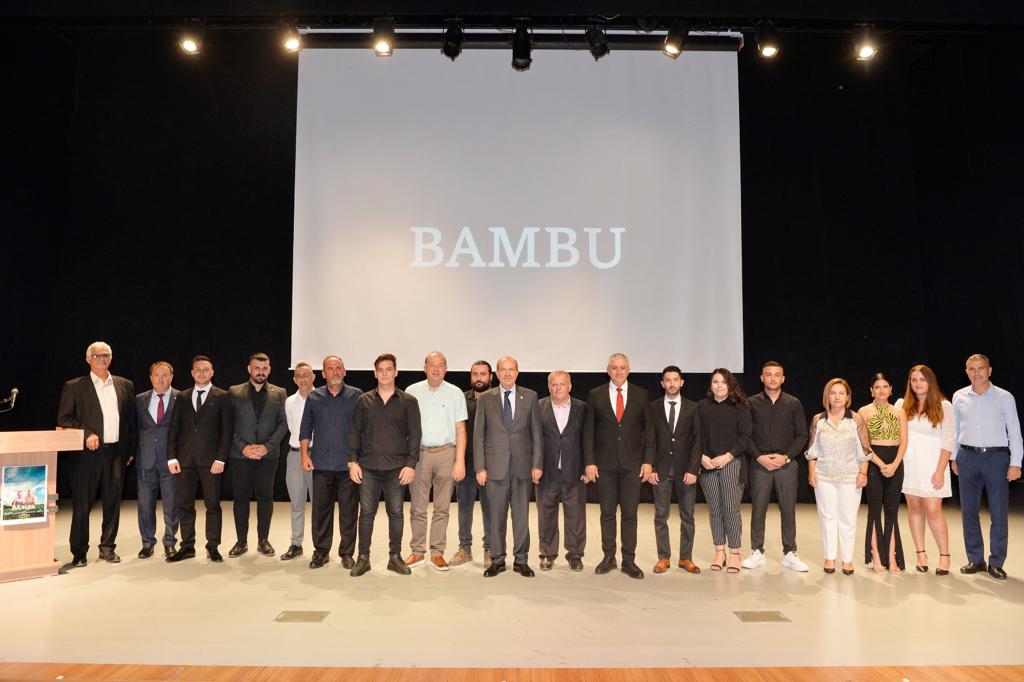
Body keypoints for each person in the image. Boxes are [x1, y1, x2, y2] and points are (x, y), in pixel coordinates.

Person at [57, 341, 136, 566]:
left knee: (112, 503)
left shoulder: (125, 384)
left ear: (111, 358)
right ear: (88, 359)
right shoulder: (74, 386)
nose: (101, 359)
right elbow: (64, 419)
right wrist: (87, 433)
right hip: (87, 456)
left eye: (105, 355)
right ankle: (79, 552)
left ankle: (107, 548)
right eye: (96, 355)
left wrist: (130, 450)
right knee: (83, 505)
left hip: (117, 453)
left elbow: (130, 421)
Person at [347, 354, 421, 576]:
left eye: (389, 369)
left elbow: (415, 435)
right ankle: (363, 558)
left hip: (397, 468)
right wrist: (353, 462)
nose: (385, 373)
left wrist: (411, 464)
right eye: (381, 370)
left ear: (396, 372)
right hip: (368, 467)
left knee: (396, 513)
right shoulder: (363, 401)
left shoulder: (409, 402)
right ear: (375, 373)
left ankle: (395, 558)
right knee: (366, 514)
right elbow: (354, 433)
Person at [952, 353, 1023, 581]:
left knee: (999, 512)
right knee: (969, 511)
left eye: (981, 368)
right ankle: (976, 559)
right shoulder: (959, 397)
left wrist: (1016, 462)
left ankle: (996, 562)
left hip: (996, 458)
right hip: (967, 457)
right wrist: (954, 458)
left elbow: (1014, 432)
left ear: (989, 370)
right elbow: (954, 430)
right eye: (972, 369)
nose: (977, 373)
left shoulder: (1005, 397)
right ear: (966, 372)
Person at [583, 353, 653, 580]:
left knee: (630, 514)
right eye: (614, 368)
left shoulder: (641, 395)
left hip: (633, 466)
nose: (619, 371)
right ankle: (608, 557)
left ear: (628, 370)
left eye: (622, 368)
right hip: (605, 466)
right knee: (607, 513)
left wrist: (648, 461)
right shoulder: (596, 394)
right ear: (608, 370)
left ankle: (629, 560)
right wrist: (590, 462)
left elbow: (649, 432)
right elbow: (588, 432)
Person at [473, 356, 543, 578]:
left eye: (511, 369)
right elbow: (478, 435)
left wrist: (537, 464)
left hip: (523, 467)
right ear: (496, 374)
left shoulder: (530, 396)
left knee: (521, 517)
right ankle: (497, 560)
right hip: (494, 468)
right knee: (496, 516)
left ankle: (521, 560)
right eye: (503, 370)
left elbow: (537, 433)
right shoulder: (486, 398)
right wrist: (480, 467)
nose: (507, 373)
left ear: (517, 372)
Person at [166, 355, 234, 563]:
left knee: (212, 505)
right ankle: (187, 546)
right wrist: (171, 457)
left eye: (205, 369)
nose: (202, 373)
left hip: (211, 462)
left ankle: (213, 546)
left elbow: (227, 431)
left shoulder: (223, 396)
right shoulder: (182, 397)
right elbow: (174, 429)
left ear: (212, 372)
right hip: (185, 461)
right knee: (184, 505)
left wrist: (221, 459)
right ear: (192, 373)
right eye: (198, 369)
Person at [404, 351, 467, 571]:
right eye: (432, 365)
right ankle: (417, 551)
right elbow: (405, 428)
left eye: (441, 365)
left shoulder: (455, 393)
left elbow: (461, 429)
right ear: (425, 368)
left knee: (442, 507)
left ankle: (438, 553)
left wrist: (460, 461)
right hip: (419, 454)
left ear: (446, 368)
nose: (436, 369)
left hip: (446, 454)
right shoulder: (412, 391)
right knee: (417, 507)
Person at [744, 361, 809, 572]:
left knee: (788, 509)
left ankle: (790, 553)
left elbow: (802, 435)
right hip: (759, 464)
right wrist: (758, 457)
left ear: (783, 378)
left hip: (786, 465)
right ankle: (757, 551)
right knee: (758, 509)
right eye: (768, 374)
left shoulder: (793, 403)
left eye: (777, 375)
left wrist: (786, 457)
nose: (772, 378)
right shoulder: (750, 403)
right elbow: (745, 435)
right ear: (762, 378)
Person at [299, 355, 362, 569]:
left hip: (348, 465)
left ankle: (347, 553)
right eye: (330, 368)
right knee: (321, 511)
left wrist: (358, 460)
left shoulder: (357, 396)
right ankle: (321, 552)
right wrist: (304, 455)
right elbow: (305, 429)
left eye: (338, 368)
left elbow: (362, 429)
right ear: (323, 373)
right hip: (321, 464)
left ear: (344, 371)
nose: (335, 372)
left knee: (349, 512)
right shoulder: (314, 397)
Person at [806, 378, 872, 575]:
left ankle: (847, 559)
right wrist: (811, 472)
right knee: (827, 517)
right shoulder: (818, 420)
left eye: (841, 393)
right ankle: (829, 557)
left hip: (851, 477)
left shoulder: (856, 419)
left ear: (847, 397)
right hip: (823, 476)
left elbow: (865, 450)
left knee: (848, 518)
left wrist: (863, 473)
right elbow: (812, 450)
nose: (837, 397)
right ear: (827, 396)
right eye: (833, 393)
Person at [227, 353, 288, 558]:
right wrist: (243, 447)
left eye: (264, 368)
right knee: (240, 498)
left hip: (267, 456)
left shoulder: (280, 393)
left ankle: (263, 540)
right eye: (257, 368)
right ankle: (241, 541)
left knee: (265, 497)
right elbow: (228, 424)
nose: (260, 372)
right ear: (249, 369)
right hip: (240, 455)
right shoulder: (234, 392)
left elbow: (283, 423)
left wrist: (266, 447)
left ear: (269, 370)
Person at [896, 364, 954, 576]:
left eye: (922, 379)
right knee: (915, 508)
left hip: (933, 465)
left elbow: (948, 440)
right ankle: (921, 554)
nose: (918, 384)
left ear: (930, 382)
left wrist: (940, 470)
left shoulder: (944, 405)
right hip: (910, 464)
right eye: (914, 380)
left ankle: (944, 556)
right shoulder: (902, 405)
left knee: (933, 509)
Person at [696, 368, 752, 575]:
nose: (719, 386)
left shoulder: (740, 407)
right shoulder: (702, 406)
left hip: (731, 463)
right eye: (715, 382)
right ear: (710, 385)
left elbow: (745, 437)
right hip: (708, 465)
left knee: (730, 509)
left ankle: (735, 553)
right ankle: (719, 552)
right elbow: (695, 435)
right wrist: (701, 457)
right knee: (714, 510)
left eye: (723, 382)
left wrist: (727, 456)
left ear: (730, 385)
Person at [647, 365, 701, 575]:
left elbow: (697, 441)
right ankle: (664, 557)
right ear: (662, 383)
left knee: (688, 516)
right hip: (660, 470)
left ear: (682, 382)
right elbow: (649, 439)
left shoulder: (693, 408)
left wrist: (693, 469)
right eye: (668, 380)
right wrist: (651, 466)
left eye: (675, 379)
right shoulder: (653, 407)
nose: (671, 383)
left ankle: (686, 557)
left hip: (685, 470)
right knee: (661, 515)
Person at [536, 370, 588, 571]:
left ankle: (575, 554)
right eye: (554, 384)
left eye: (562, 384)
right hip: (546, 472)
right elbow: (533, 439)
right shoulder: (538, 407)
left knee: (575, 516)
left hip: (575, 470)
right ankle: (547, 553)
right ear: (549, 387)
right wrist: (534, 465)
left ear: (570, 386)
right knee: (546, 514)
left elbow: (588, 439)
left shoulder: (582, 408)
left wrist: (587, 465)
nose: (558, 388)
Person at [858, 373, 907, 573]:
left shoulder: (899, 412)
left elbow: (904, 441)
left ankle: (892, 557)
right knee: (875, 510)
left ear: (891, 389)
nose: (881, 390)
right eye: (877, 387)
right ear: (871, 391)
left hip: (895, 462)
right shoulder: (864, 411)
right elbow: (863, 444)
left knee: (892, 512)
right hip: (873, 461)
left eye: (885, 386)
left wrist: (894, 464)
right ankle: (876, 556)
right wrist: (879, 464)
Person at [134, 361, 180, 559]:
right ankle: (147, 543)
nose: (161, 379)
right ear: (151, 378)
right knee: (145, 505)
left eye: (165, 375)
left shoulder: (181, 398)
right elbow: (134, 428)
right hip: (146, 460)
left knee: (171, 504)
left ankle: (170, 542)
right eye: (157, 375)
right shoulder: (139, 400)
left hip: (171, 461)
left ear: (172, 377)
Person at [450, 361, 493, 568]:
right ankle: (464, 548)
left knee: (490, 509)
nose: (479, 378)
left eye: (483, 374)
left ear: (491, 377)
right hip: (465, 464)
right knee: (464, 508)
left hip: (491, 466)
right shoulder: (461, 399)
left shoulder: (497, 399)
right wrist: (457, 461)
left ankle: (490, 549)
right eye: (475, 374)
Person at [281, 362, 316, 561]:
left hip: (317, 456)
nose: (302, 379)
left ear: (313, 377)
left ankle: (320, 546)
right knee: (296, 503)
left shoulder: (321, 398)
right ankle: (296, 544)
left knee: (319, 504)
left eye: (306, 375)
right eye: (298, 376)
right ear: (294, 379)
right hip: (294, 455)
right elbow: (291, 427)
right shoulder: (289, 402)